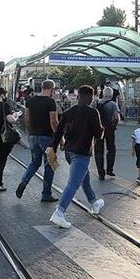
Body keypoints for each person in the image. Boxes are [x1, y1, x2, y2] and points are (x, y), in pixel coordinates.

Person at [45, 85, 105, 228]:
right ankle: (59, 212)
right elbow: (98, 135)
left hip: (69, 152)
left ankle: (94, 203)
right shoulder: (93, 112)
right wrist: (102, 129)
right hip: (82, 153)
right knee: (73, 183)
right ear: (91, 97)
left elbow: (58, 131)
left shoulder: (68, 112)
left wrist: (52, 147)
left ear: (78, 96)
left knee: (85, 178)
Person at [15, 80, 59, 202]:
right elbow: (53, 121)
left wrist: (31, 133)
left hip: (33, 136)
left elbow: (26, 118)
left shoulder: (31, 100)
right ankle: (46, 194)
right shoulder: (51, 102)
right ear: (52, 89)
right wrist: (60, 136)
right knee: (50, 165)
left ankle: (23, 183)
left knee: (34, 163)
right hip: (48, 138)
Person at [0, 86, 21, 192]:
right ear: (2, 95)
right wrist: (16, 116)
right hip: (3, 139)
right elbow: (10, 120)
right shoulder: (5, 106)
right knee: (0, 162)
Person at [94, 86, 121, 179]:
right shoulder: (113, 104)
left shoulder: (97, 102)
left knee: (98, 150)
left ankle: (101, 172)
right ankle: (109, 169)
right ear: (111, 95)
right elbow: (116, 117)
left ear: (103, 93)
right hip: (109, 129)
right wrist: (114, 125)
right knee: (111, 149)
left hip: (98, 129)